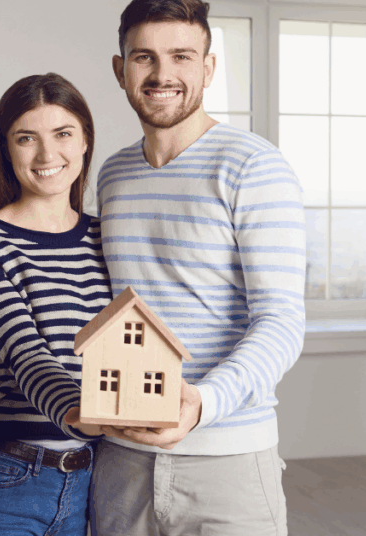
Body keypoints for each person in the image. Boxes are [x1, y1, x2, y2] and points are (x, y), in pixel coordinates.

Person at [90, 0, 306, 535]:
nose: (163, 75)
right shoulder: (113, 175)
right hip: (121, 462)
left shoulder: (254, 166)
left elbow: (281, 321)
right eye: (145, 57)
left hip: (228, 460)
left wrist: (203, 404)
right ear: (121, 70)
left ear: (208, 68)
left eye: (182, 56)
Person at [0, 72, 111, 536]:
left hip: (89, 479)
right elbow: (25, 354)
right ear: (5, 148)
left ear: (86, 141)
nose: (47, 154)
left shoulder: (107, 238)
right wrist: (79, 415)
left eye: (63, 134)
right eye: (26, 138)